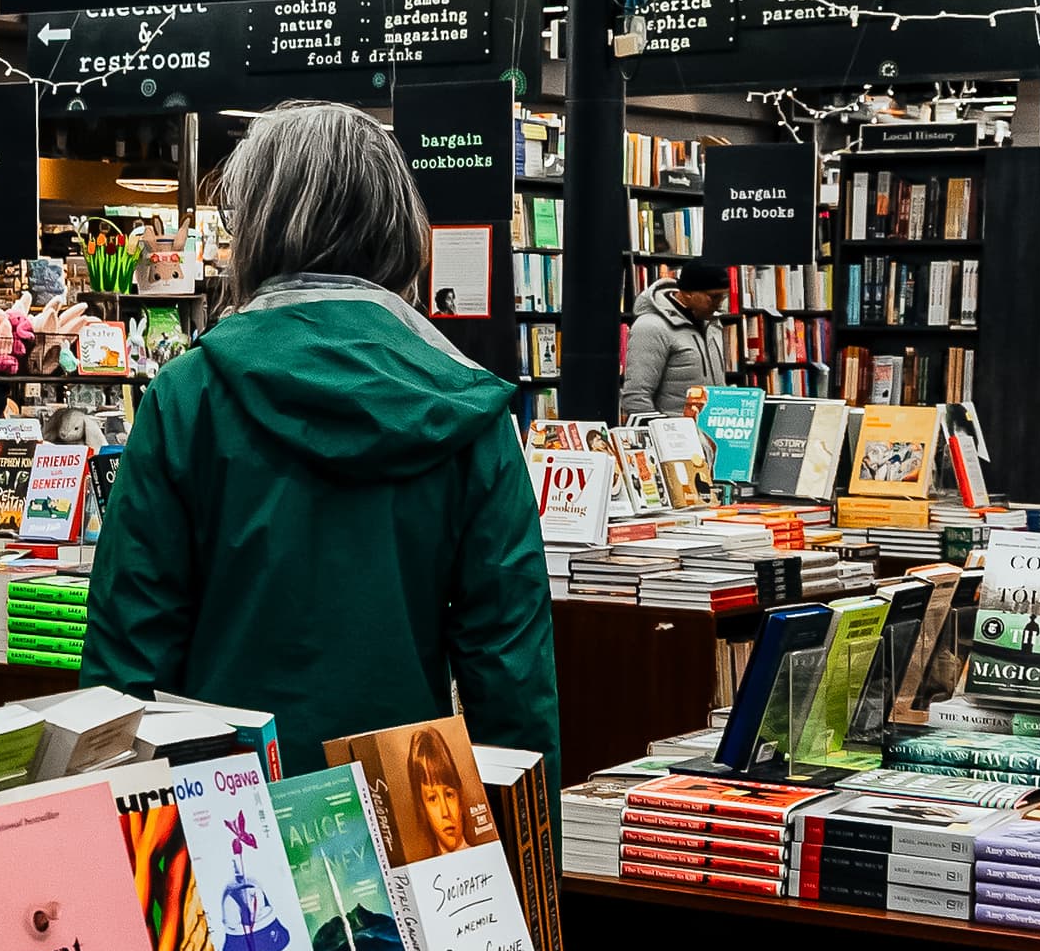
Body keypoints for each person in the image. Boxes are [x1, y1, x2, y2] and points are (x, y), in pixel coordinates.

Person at [84, 100, 558, 776]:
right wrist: (527, 864)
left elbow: (130, 650)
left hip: (223, 817)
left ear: (258, 227)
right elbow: (511, 673)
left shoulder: (188, 397)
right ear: (399, 224)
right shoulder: (472, 409)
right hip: (408, 807)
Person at [618, 265, 730, 424]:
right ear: (688, 293)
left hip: (714, 435)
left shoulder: (712, 323)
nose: (719, 305)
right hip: (676, 440)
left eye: (724, 297)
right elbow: (636, 396)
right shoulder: (651, 327)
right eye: (714, 297)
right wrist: (665, 437)